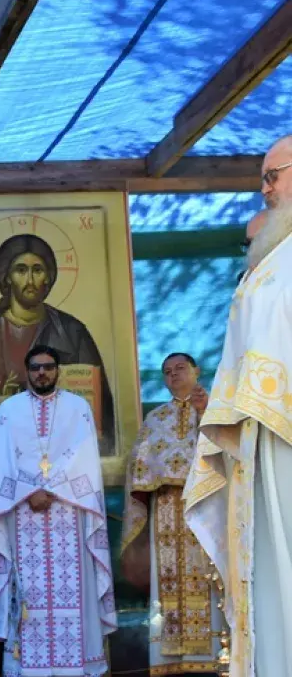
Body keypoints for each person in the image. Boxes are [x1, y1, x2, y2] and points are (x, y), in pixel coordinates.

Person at [184, 134, 292, 676]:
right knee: (268, 571)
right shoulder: (275, 256)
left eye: (273, 175)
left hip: (282, 429)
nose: (264, 189)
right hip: (259, 433)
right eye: (263, 178)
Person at [0, 345, 115, 676]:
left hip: (70, 511)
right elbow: (3, 459)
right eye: (35, 368)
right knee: (28, 590)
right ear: (27, 372)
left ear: (58, 370)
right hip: (22, 513)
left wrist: (51, 489)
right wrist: (30, 491)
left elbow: (84, 457)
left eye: (48, 367)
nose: (42, 373)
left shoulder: (78, 408)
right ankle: (29, 667)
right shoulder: (10, 409)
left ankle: (75, 667)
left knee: (74, 588)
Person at [0, 234, 114, 468]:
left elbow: (101, 423)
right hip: (7, 466)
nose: (30, 280)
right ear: (7, 278)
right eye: (20, 270)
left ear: (48, 277)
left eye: (37, 270)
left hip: (63, 467)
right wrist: (0, 408)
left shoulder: (72, 334)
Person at [120, 352, 219, 675]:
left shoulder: (216, 408)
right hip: (165, 509)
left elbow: (225, 451)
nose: (173, 374)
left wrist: (204, 412)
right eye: (166, 371)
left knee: (207, 574)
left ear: (196, 371)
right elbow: (139, 464)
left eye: (180, 368)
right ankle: (172, 658)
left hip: (205, 506)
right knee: (168, 580)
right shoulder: (155, 419)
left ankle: (214, 654)